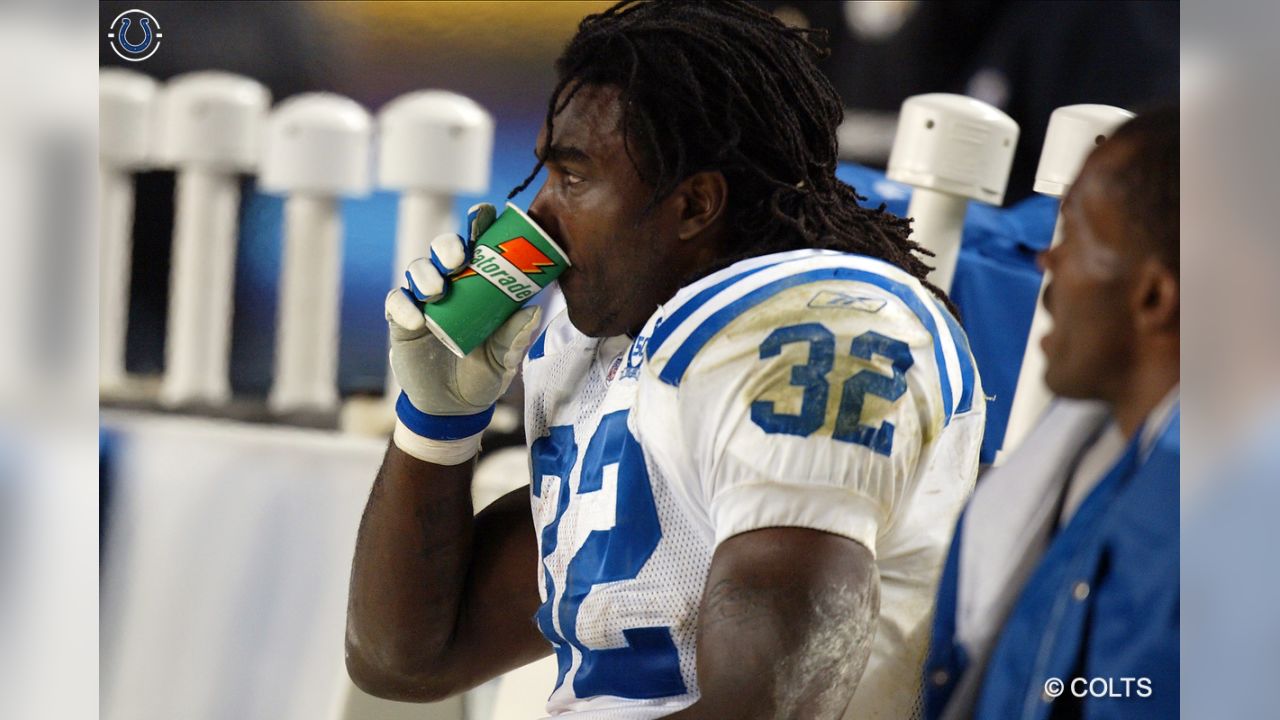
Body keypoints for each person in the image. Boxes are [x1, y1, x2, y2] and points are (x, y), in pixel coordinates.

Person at [346, 2, 984, 718]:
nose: (540, 214)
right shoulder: (618, 343)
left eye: (575, 178)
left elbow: (770, 708)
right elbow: (404, 661)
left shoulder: (817, 329)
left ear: (694, 205)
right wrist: (435, 423)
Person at [923, 108, 1179, 720]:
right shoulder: (1097, 452)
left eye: (1076, 238)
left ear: (1154, 295)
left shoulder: (1202, 520)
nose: (1047, 262)